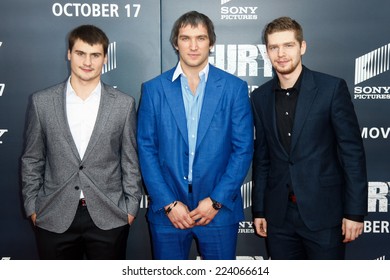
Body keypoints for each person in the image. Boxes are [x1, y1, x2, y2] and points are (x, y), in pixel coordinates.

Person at [137, 11, 253, 260]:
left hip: (218, 211)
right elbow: (146, 148)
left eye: (200, 38)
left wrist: (216, 201)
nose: (192, 46)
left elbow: (243, 149)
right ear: (175, 42)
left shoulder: (234, 88)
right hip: (167, 212)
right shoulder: (154, 89)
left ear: (211, 43)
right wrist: (168, 203)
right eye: (185, 38)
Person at [251, 16, 368, 260]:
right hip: (279, 218)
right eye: (274, 47)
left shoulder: (331, 89)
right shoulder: (260, 97)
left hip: (324, 215)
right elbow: (262, 157)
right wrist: (260, 209)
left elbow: (352, 154)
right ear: (267, 52)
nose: (281, 53)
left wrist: (355, 212)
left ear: (302, 47)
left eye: (288, 45)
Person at [21, 24, 142, 260]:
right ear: (69, 53)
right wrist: (32, 207)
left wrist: (130, 209)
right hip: (53, 216)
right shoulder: (42, 102)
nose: (87, 62)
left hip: (109, 217)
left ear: (105, 58)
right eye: (80, 53)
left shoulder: (123, 104)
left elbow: (130, 161)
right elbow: (32, 159)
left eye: (95, 55)